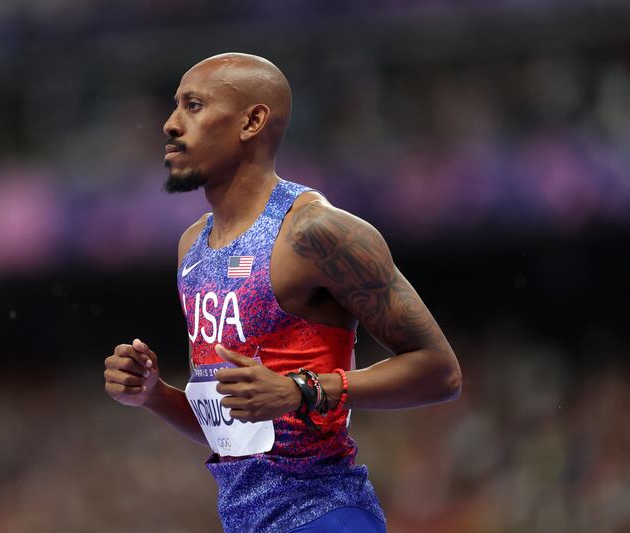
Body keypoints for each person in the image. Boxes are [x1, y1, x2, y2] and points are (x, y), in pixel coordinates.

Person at [103, 53, 462, 533]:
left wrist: (304, 389)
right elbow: (237, 430)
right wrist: (153, 395)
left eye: (193, 106)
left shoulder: (314, 232)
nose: (169, 125)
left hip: (326, 515)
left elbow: (441, 372)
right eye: (175, 107)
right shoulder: (192, 247)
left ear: (252, 121)